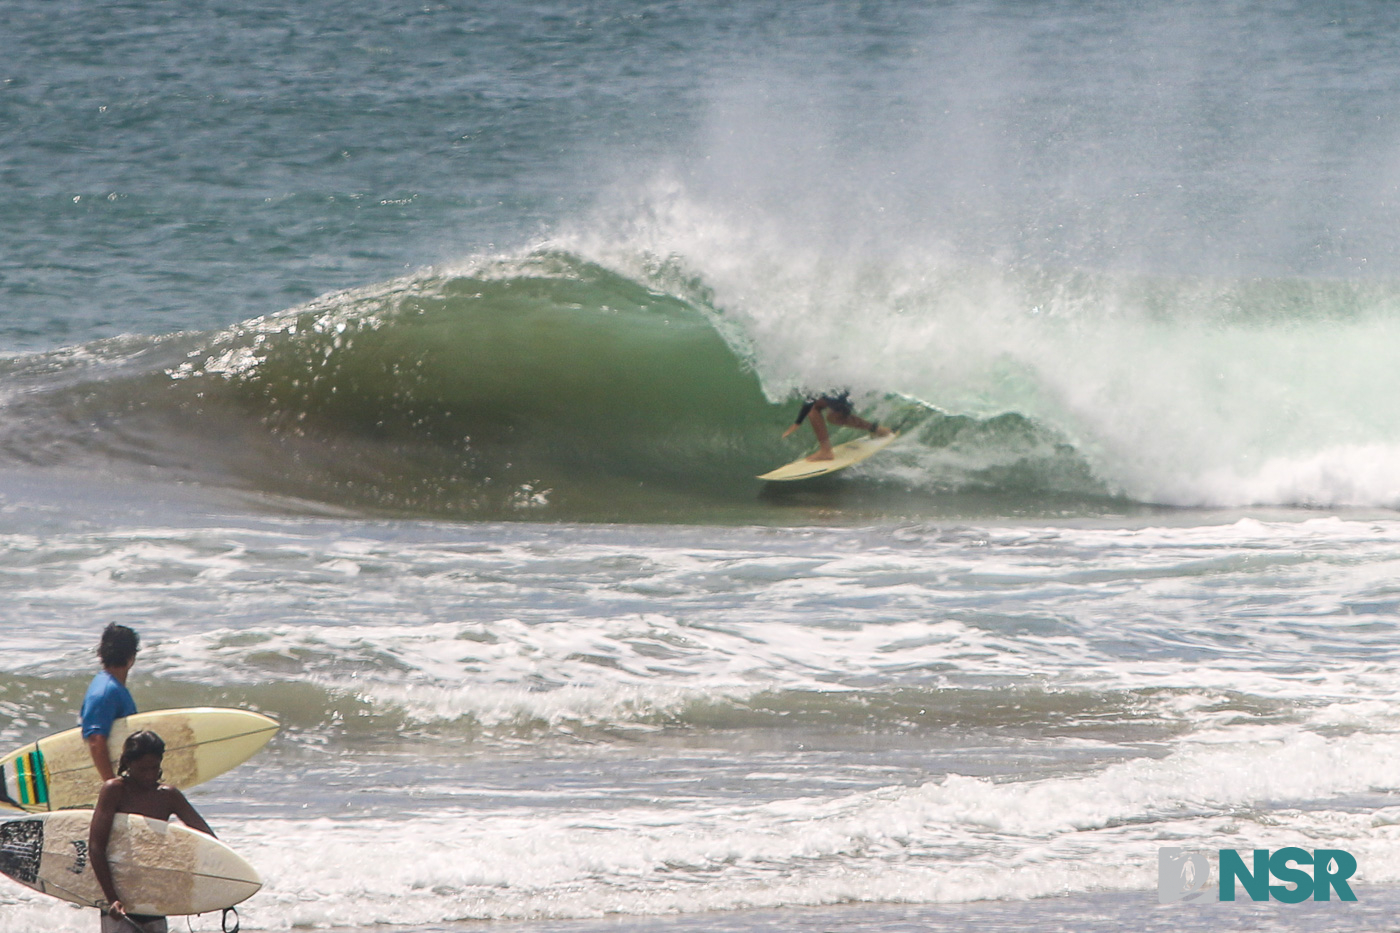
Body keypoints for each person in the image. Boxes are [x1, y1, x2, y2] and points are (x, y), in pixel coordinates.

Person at [89, 730, 216, 933]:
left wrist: (196, 888)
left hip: (153, 892)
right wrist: (112, 897)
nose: (149, 775)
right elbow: (96, 847)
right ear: (128, 763)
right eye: (142, 769)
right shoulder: (114, 791)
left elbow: (208, 840)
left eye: (154, 768)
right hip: (119, 891)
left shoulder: (168, 796)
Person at [82, 624, 141, 782]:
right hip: (111, 784)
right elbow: (95, 740)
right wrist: (112, 784)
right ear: (132, 657)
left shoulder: (112, 687)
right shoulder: (106, 691)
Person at [782, 390, 892, 461]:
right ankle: (877, 429)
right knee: (835, 418)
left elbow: (810, 399)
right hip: (851, 387)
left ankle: (825, 451)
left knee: (814, 408)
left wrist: (798, 422)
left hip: (841, 390)